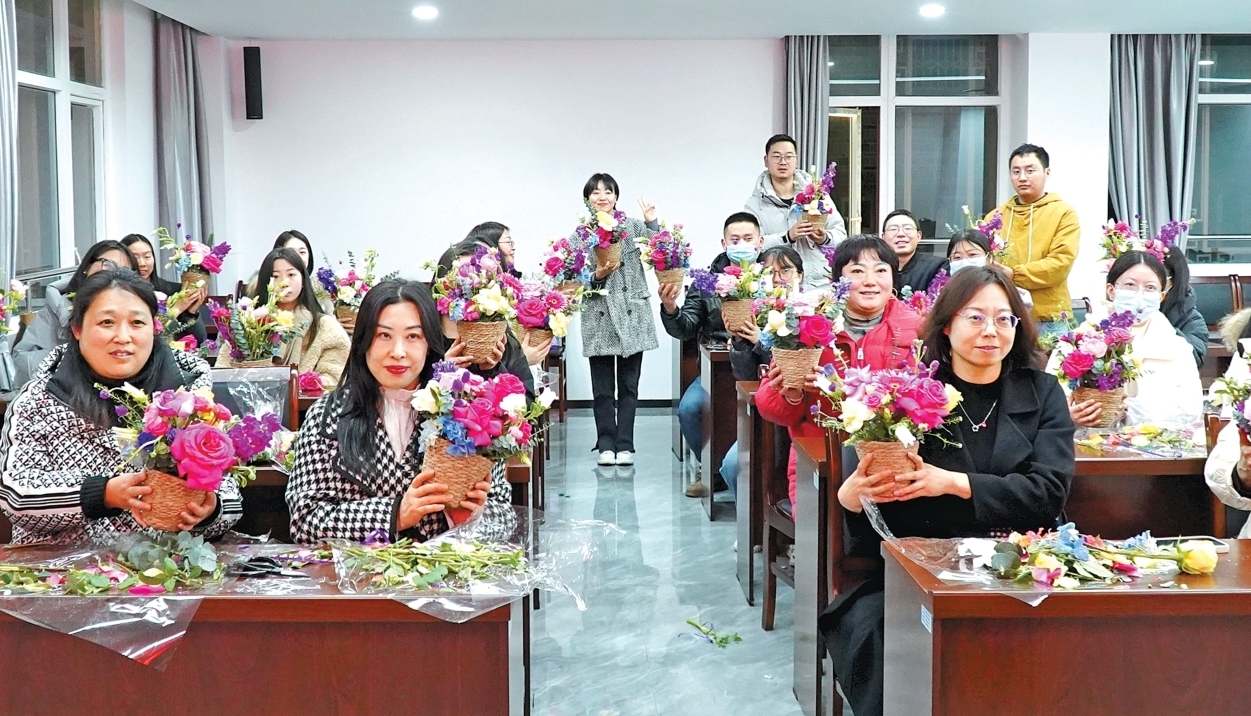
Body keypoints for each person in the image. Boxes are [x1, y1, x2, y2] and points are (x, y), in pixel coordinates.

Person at [823, 266, 1075, 716]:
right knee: (879, 636)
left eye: (1004, 319)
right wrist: (852, 498)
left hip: (1021, 567)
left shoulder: (1043, 392)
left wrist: (955, 484)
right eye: (975, 317)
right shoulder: (905, 395)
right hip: (923, 570)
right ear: (946, 325)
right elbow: (883, 515)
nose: (990, 331)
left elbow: (1049, 493)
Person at [0, 270, 242, 545]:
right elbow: (15, 495)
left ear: (154, 327)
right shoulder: (40, 400)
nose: (123, 337)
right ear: (77, 329)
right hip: (61, 565)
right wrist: (102, 494)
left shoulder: (191, 399)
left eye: (137, 322)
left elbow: (231, 497)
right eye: (107, 322)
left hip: (165, 564)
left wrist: (211, 510)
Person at [286, 280, 513, 543]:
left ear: (429, 343)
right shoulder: (327, 416)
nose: (398, 352)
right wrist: (396, 515)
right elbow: (304, 521)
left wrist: (467, 518)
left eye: (413, 336)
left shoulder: (468, 412)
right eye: (384, 336)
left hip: (446, 566)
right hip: (360, 569)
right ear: (363, 342)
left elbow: (504, 518)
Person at [755, 235, 923, 508]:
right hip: (819, 462)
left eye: (881, 270)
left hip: (894, 462)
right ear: (837, 281)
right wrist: (793, 394)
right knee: (824, 528)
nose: (870, 281)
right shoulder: (806, 325)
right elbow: (773, 409)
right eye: (857, 271)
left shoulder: (918, 329)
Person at [661, 212, 763, 482]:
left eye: (748, 238)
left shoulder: (771, 277)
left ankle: (758, 477)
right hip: (717, 368)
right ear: (724, 243)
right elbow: (685, 328)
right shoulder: (707, 282)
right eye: (735, 240)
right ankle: (713, 471)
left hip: (762, 365)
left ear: (760, 242)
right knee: (690, 410)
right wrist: (670, 308)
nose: (742, 244)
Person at [577, 173, 660, 466]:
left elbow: (659, 249)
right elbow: (571, 276)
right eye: (596, 192)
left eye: (608, 191)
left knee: (629, 386)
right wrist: (596, 276)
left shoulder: (632, 226)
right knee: (602, 389)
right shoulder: (581, 234)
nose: (602, 196)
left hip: (631, 311)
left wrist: (652, 221)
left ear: (616, 197)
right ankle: (605, 445)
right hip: (598, 313)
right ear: (587, 199)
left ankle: (625, 445)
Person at [1068, 251, 1203, 428]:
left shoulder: (1177, 348)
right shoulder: (1080, 341)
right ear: (1111, 291)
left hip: (1157, 442)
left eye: (1150, 288)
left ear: (1161, 296)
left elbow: (1191, 410)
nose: (1139, 294)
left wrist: (1131, 412)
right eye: (1130, 285)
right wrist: (1072, 416)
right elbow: (1056, 404)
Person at [720, 244, 806, 500]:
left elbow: (797, 368)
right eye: (770, 272)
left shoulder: (812, 312)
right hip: (768, 413)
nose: (778, 279)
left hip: (804, 410)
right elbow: (745, 376)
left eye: (786, 271)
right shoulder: (755, 311)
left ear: (800, 275)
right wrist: (738, 339)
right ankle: (752, 521)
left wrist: (763, 342)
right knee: (732, 466)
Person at [218, 248, 350, 390]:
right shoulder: (247, 324)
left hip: (306, 402)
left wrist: (296, 386)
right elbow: (221, 373)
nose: (284, 282)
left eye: (291, 274)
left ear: (303, 280)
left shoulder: (326, 326)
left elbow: (335, 377)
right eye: (275, 276)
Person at [12, 240, 138, 387]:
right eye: (108, 264)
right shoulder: (57, 307)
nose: (114, 274)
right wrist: (71, 361)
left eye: (124, 271)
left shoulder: (136, 311)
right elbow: (23, 362)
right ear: (87, 267)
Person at [988, 144, 1080, 333]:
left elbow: (1060, 264)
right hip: (1003, 316)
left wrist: (1014, 274)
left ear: (1047, 172)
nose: (1022, 177)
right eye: (1016, 172)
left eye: (1030, 171)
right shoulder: (995, 217)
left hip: (1049, 319)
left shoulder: (1063, 213)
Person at [434, 241, 543, 389]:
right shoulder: (425, 338)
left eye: (480, 277)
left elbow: (526, 397)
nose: (470, 286)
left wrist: (492, 370)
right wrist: (445, 374)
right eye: (459, 279)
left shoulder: (503, 341)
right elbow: (415, 397)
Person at [746, 134, 847, 290]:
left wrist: (824, 238)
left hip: (820, 284)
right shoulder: (754, 205)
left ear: (796, 160)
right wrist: (787, 237)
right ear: (766, 161)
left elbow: (841, 236)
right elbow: (752, 246)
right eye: (776, 157)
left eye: (788, 157)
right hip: (778, 287)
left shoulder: (818, 195)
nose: (783, 162)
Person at [120, 233, 208, 345]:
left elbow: (199, 340)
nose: (142, 263)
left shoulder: (174, 291)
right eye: (135, 257)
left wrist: (191, 312)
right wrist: (177, 308)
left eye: (147, 257)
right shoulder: (120, 294)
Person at [946, 228, 1032, 308]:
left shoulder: (1009, 297)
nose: (964, 261)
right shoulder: (943, 297)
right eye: (957, 257)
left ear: (989, 257)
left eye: (972, 255)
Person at [1159, 249, 1207, 368]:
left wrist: (1158, 325)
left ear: (1174, 280)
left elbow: (1194, 361)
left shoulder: (1192, 319)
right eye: (1131, 283)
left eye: (1151, 283)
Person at [882, 210, 947, 294]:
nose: (901, 234)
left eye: (907, 228)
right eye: (893, 229)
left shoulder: (937, 266)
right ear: (883, 237)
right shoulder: (876, 268)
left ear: (919, 236)